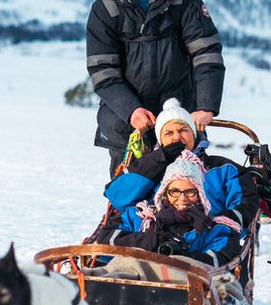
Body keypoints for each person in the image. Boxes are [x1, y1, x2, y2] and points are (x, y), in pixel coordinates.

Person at [86, 0, 226, 178]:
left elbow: (206, 54)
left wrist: (206, 105)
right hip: (127, 124)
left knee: (184, 191)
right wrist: (131, 110)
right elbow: (103, 72)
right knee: (130, 195)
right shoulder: (105, 9)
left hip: (179, 116)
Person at [92, 98, 259, 242]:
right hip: (152, 242)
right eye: (168, 133)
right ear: (160, 139)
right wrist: (159, 158)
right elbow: (118, 197)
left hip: (205, 243)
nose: (176, 137)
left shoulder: (223, 169)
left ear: (194, 134)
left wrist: (213, 230)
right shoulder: (150, 167)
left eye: (183, 130)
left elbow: (243, 205)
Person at [103, 151, 242, 267]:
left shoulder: (213, 229)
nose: (182, 199)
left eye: (190, 191)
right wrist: (153, 241)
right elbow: (104, 241)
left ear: (200, 194)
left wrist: (181, 255)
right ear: (164, 192)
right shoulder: (141, 217)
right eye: (174, 191)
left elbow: (219, 262)